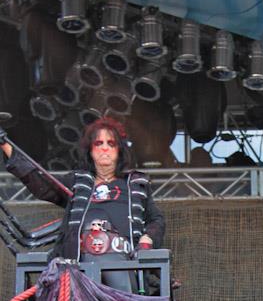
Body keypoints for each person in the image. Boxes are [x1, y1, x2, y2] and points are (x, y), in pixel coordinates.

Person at [0, 117, 164, 291]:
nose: (105, 148)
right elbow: (40, 183)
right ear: (90, 150)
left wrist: (148, 239)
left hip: (125, 264)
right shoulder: (78, 182)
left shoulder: (135, 184)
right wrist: (4, 145)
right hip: (79, 267)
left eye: (111, 143)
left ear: (119, 150)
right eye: (98, 143)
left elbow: (156, 219)